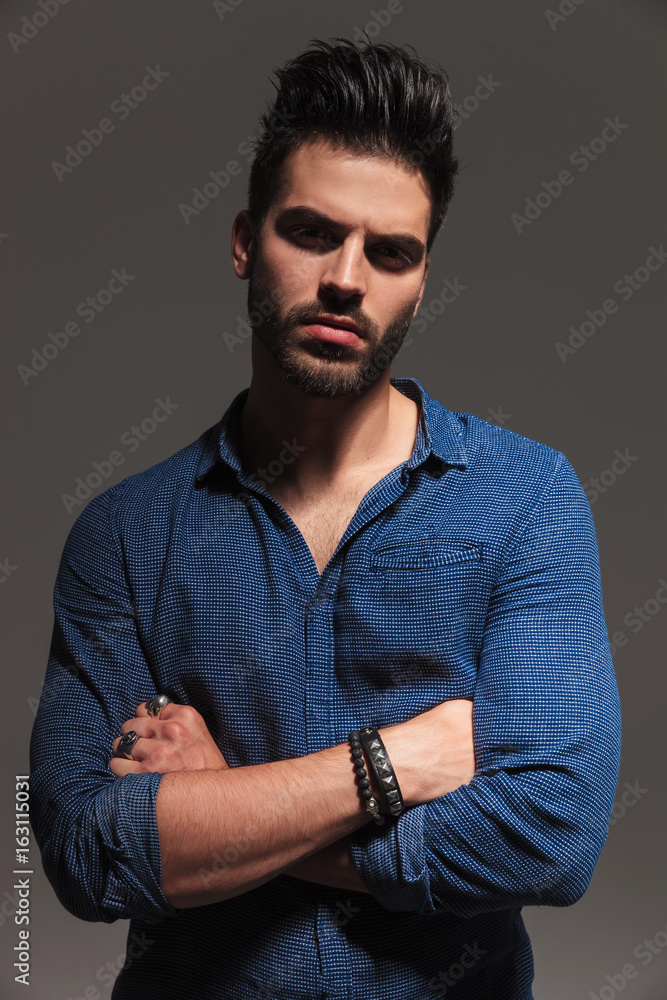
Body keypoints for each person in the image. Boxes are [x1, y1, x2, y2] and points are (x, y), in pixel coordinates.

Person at [30, 36, 621, 1000]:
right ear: (241, 240)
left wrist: (219, 799)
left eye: (390, 252)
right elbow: (87, 853)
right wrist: (392, 763)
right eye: (311, 233)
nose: (347, 277)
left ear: (421, 279)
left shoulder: (528, 498)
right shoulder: (125, 535)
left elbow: (549, 838)